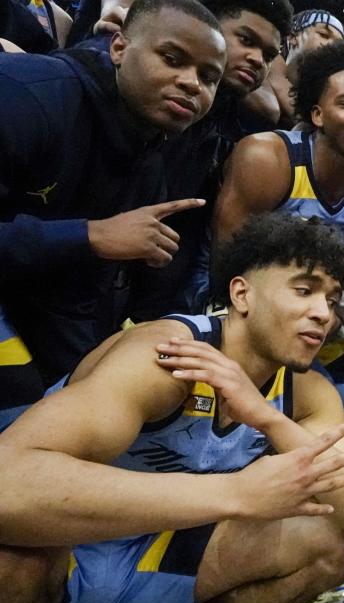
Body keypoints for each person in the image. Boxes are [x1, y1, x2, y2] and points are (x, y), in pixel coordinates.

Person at [0, 214, 344, 603]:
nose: (323, 314)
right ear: (242, 295)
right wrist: (235, 493)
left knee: (334, 541)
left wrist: (265, 417)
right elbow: (9, 484)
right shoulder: (166, 357)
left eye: (333, 300)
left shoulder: (308, 391)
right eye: (304, 290)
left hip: (157, 550)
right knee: (11, 566)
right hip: (71, 547)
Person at [0, 0, 226, 428]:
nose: (192, 83)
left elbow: (74, 296)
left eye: (208, 77)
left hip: (32, 304)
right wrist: (90, 236)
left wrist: (87, 375)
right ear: (119, 47)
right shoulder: (29, 93)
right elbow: (86, 244)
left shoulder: (149, 152)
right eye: (173, 59)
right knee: (22, 424)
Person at [214, 41, 344, 451]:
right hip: (243, 304)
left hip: (322, 311)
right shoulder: (267, 157)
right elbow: (225, 265)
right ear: (317, 114)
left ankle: (311, 483)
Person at [124, 0, 294, 323]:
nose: (257, 59)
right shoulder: (142, 89)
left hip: (156, 286)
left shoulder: (233, 112)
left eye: (269, 55)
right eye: (246, 40)